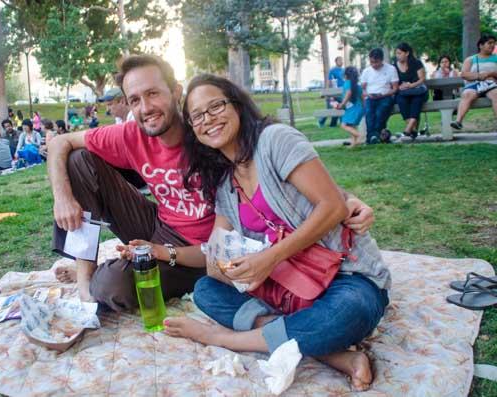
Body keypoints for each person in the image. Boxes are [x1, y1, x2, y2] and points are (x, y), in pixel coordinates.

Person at [48, 54, 375, 309]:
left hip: (204, 252)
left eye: (153, 94)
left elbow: (264, 162)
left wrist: (344, 198)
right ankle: (84, 274)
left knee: (111, 289)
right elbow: (58, 142)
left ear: (175, 92)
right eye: (134, 100)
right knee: (79, 161)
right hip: (157, 225)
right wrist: (63, 197)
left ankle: (113, 277)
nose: (145, 108)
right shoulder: (130, 133)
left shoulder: (207, 132)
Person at [161, 73, 390, 391]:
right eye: (197, 115)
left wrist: (268, 258)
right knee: (205, 291)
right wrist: (227, 264)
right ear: (192, 129)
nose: (208, 119)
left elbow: (333, 206)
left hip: (347, 279)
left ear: (237, 106)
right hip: (287, 292)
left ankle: (227, 338)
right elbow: (214, 258)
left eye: (216, 106)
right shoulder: (226, 185)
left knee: (348, 313)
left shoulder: (275, 140)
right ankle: (332, 355)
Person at [98, 86, 146, 191]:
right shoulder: (119, 119)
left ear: (122, 101)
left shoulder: (136, 118)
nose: (108, 110)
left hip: (142, 172)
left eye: (110, 105)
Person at [451, 35, 497, 130]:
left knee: (496, 94)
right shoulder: (471, 59)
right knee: (467, 94)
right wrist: (478, 76)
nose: (492, 45)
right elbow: (464, 74)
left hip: (492, 85)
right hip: (474, 85)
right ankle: (458, 121)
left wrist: (489, 74)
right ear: (481, 45)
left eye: (494, 43)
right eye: (489, 43)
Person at [361, 48, 399, 144]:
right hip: (370, 97)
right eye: (371, 62)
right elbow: (362, 88)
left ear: (382, 60)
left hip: (385, 96)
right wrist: (367, 94)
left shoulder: (391, 69)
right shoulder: (366, 71)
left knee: (380, 112)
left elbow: (395, 88)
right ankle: (372, 136)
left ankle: (375, 135)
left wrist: (383, 94)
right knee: (369, 113)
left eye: (376, 62)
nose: (373, 65)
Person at [393, 43, 428, 139]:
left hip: (418, 91)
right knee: (400, 100)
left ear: (407, 53)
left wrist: (410, 85)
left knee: (417, 100)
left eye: (399, 53)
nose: (397, 56)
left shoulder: (416, 63)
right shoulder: (394, 66)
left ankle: (409, 127)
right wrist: (399, 87)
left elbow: (422, 79)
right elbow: (393, 81)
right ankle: (413, 129)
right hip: (404, 93)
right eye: (396, 53)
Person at [335, 66, 365, 146]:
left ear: (345, 75)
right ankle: (354, 144)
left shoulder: (347, 83)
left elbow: (348, 93)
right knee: (351, 126)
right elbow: (362, 97)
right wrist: (364, 108)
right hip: (359, 108)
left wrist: (342, 104)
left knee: (344, 125)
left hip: (353, 109)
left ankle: (359, 136)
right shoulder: (357, 85)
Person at [318, 56, 345, 128]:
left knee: (341, 107)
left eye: (342, 60)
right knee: (330, 109)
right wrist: (330, 93)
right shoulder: (332, 70)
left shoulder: (344, 70)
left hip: (341, 92)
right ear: (336, 62)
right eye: (340, 60)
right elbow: (330, 82)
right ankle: (321, 121)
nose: (341, 62)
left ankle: (339, 124)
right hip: (334, 92)